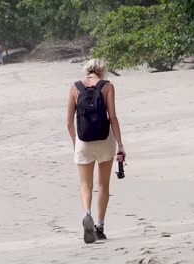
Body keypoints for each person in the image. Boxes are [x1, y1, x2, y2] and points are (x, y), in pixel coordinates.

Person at [66, 59, 126, 244]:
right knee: (103, 185)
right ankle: (99, 227)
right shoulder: (107, 86)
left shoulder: (75, 87)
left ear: (87, 71)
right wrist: (120, 144)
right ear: (103, 71)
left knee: (85, 185)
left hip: (83, 141)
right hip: (104, 140)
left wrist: (76, 143)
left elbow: (68, 121)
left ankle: (87, 214)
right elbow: (113, 117)